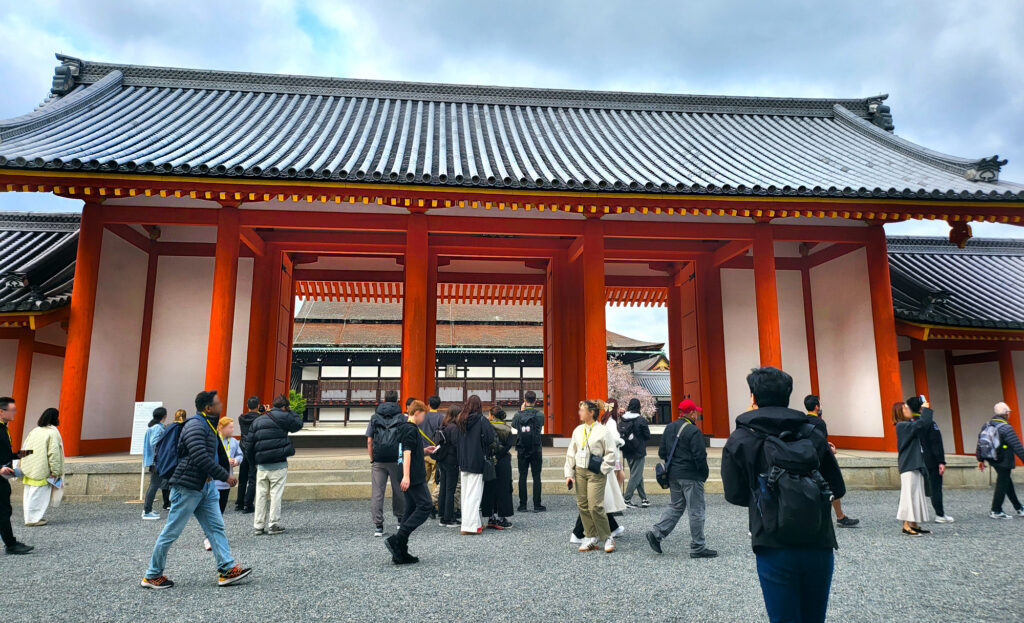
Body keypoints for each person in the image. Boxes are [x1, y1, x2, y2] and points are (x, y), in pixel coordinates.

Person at [721, 367, 846, 623]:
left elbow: (734, 494)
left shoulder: (741, 438)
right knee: (814, 617)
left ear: (753, 397)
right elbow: (837, 488)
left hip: (772, 539)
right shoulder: (813, 433)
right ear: (788, 396)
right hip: (819, 538)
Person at [142, 390, 251, 589]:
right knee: (171, 531)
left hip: (206, 486)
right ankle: (152, 575)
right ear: (208, 408)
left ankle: (226, 569)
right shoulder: (195, 425)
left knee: (215, 527)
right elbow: (200, 456)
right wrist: (225, 475)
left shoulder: (208, 425)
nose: (221, 405)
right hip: (188, 486)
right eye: (217, 403)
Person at [646, 400, 716, 558]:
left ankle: (657, 533)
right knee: (696, 510)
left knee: (676, 506)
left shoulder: (669, 427)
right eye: (695, 412)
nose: (696, 415)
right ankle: (698, 547)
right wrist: (703, 474)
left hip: (674, 475)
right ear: (691, 413)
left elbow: (662, 452)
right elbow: (700, 456)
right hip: (691, 474)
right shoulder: (693, 431)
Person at [246, 394, 303, 536]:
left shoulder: (258, 420)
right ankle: (273, 524)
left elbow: (249, 444)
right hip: (279, 463)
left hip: (262, 465)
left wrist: (253, 462)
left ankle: (258, 526)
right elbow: (298, 424)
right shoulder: (285, 417)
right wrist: (290, 411)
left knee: (260, 494)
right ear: (284, 407)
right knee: (276, 494)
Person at [564, 400, 617, 553]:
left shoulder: (603, 431)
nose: (579, 413)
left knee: (595, 506)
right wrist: (569, 474)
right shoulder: (578, 430)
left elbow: (611, 453)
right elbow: (571, 453)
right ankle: (590, 536)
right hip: (580, 471)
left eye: (582, 410)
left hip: (595, 472)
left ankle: (607, 537)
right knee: (582, 505)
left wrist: (602, 468)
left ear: (591, 412)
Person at [385, 400, 434, 565]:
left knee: (410, 508)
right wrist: (406, 476)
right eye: (424, 415)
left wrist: (423, 450)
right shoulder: (411, 429)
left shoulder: (405, 428)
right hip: (413, 475)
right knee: (426, 505)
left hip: (407, 473)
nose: (424, 419)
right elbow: (406, 452)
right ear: (418, 412)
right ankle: (398, 539)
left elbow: (409, 450)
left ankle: (400, 552)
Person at [804, 395, 860, 528]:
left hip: (810, 458)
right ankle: (839, 517)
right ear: (817, 407)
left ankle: (830, 516)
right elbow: (820, 442)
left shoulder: (804, 421)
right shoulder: (819, 423)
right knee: (833, 487)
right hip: (824, 461)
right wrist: (830, 451)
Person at [904, 396, 952, 523]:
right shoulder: (930, 423)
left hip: (914, 460)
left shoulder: (908, 423)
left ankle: (908, 515)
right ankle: (940, 514)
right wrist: (941, 461)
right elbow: (936, 443)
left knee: (912, 488)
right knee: (935, 488)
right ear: (921, 407)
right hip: (930, 460)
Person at [367, 389, 406, 537]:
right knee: (399, 490)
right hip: (396, 459)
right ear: (397, 400)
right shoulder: (402, 418)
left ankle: (378, 525)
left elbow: (369, 440)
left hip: (379, 459)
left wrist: (372, 458)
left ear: (384, 400)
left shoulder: (374, 417)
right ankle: (400, 519)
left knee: (377, 492)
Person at [893, 400, 936, 535]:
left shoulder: (909, 425)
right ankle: (906, 524)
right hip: (909, 464)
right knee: (908, 494)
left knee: (916, 494)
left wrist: (921, 411)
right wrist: (926, 410)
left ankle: (914, 523)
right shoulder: (901, 426)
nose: (908, 410)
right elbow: (921, 424)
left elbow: (921, 424)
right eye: (906, 408)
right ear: (901, 412)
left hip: (915, 463)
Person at [978, 402, 1024, 519]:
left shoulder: (987, 425)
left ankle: (1018, 507)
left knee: (1006, 482)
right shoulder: (1006, 428)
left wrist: (981, 459)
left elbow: (981, 442)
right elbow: (1017, 446)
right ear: (1007, 413)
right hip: (1004, 459)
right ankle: (996, 510)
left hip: (992, 458)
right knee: (1002, 484)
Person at [20, 408, 65, 527]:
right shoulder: (52, 433)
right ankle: (33, 519)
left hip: (30, 467)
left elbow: (24, 448)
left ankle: (29, 518)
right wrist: (55, 471)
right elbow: (54, 454)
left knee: (29, 494)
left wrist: (22, 464)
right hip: (42, 469)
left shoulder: (34, 431)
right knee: (39, 496)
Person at [457, 394, 494, 535]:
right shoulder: (481, 420)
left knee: (466, 494)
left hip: (463, 461)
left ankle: (472, 524)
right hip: (477, 460)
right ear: (479, 406)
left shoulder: (460, 419)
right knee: (475, 494)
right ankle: (471, 526)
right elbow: (490, 438)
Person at [0, 396, 32, 554]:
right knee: (3, 511)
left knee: (4, 510)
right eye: (12, 410)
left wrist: (19, 455)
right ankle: (11, 544)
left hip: (3, 476)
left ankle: (10, 543)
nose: (15, 413)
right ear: (1, 411)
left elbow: (3, 452)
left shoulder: (3, 428)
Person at [512, 391, 545, 513]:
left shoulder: (518, 415)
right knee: (536, 476)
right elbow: (541, 425)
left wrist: (521, 410)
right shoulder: (540, 415)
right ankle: (537, 504)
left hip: (522, 449)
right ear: (536, 401)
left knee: (522, 476)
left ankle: (522, 505)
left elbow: (514, 425)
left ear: (525, 400)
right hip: (536, 449)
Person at [482, 405, 514, 530]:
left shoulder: (487, 427)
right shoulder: (507, 428)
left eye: (489, 414)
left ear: (493, 416)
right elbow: (508, 445)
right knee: (504, 489)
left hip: (489, 460)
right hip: (503, 461)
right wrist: (500, 455)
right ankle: (501, 517)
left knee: (490, 488)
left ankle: (490, 516)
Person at [433, 404, 461, 527]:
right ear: (456, 415)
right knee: (450, 489)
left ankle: (442, 516)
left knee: (443, 488)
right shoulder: (454, 427)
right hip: (452, 461)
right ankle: (449, 517)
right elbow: (456, 445)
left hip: (442, 460)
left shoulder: (443, 425)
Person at [619, 398, 651, 509]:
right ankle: (627, 499)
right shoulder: (641, 420)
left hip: (627, 450)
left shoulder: (623, 419)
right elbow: (647, 436)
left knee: (637, 474)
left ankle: (644, 499)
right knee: (636, 475)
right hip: (639, 451)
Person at [142, 407, 170, 520]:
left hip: (153, 460)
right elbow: (154, 442)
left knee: (154, 484)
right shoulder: (158, 428)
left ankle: (147, 509)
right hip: (157, 461)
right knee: (154, 485)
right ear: (164, 416)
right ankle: (147, 511)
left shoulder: (152, 427)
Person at [235, 396, 261, 513]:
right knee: (252, 478)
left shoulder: (241, 418)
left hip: (243, 447)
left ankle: (239, 503)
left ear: (247, 406)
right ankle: (248, 504)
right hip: (254, 449)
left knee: (242, 477)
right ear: (258, 406)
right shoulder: (260, 418)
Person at [420, 395, 444, 518]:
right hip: (435, 452)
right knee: (436, 480)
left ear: (428, 404)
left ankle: (421, 503)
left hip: (424, 451)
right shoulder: (441, 418)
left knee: (423, 480)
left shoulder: (422, 417)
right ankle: (434, 506)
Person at [606, 398, 626, 490]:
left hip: (610, 453)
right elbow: (614, 439)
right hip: (613, 454)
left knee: (620, 475)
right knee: (616, 478)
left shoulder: (605, 421)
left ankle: (615, 497)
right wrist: (621, 441)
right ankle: (614, 498)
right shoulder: (611, 422)